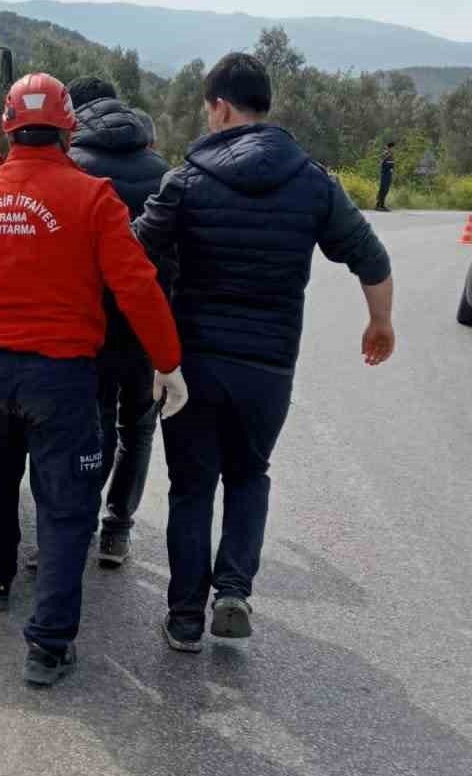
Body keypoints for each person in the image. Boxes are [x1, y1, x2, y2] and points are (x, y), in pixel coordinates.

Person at [136, 51, 395, 653]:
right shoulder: (312, 182)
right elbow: (371, 257)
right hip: (269, 367)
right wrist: (380, 321)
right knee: (249, 474)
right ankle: (232, 590)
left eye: (208, 108)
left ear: (221, 107)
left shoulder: (186, 180)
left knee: (191, 486)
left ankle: (182, 619)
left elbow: (133, 257)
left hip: (193, 364)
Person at [0, 72, 185, 689]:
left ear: (7, 126)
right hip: (60, 375)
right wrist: (167, 361)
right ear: (67, 127)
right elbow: (136, 285)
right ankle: (48, 647)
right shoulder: (93, 198)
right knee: (64, 509)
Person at [66, 73, 171, 568]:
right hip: (146, 325)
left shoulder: (71, 167)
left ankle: (80, 526)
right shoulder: (165, 170)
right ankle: (117, 529)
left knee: (94, 425)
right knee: (140, 428)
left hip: (88, 323)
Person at [376, 140, 396, 211]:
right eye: (392, 147)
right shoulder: (386, 154)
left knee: (385, 190)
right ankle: (379, 206)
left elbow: (392, 165)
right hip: (385, 174)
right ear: (389, 148)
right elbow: (380, 162)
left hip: (388, 175)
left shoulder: (391, 155)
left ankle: (381, 205)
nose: (393, 149)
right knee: (383, 189)